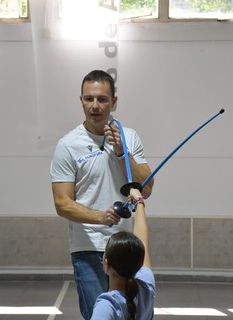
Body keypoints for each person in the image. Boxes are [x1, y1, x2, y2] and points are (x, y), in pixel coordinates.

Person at [50, 70, 154, 320]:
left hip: (127, 247)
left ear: (114, 101)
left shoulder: (129, 137)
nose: (94, 106)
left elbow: (146, 189)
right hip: (88, 247)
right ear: (81, 100)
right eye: (89, 99)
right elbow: (62, 203)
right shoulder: (68, 144)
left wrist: (121, 152)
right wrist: (100, 217)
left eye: (102, 99)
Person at [91, 187, 156, 320]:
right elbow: (142, 240)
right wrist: (138, 200)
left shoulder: (106, 306)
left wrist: (139, 201)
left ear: (106, 263)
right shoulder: (146, 287)